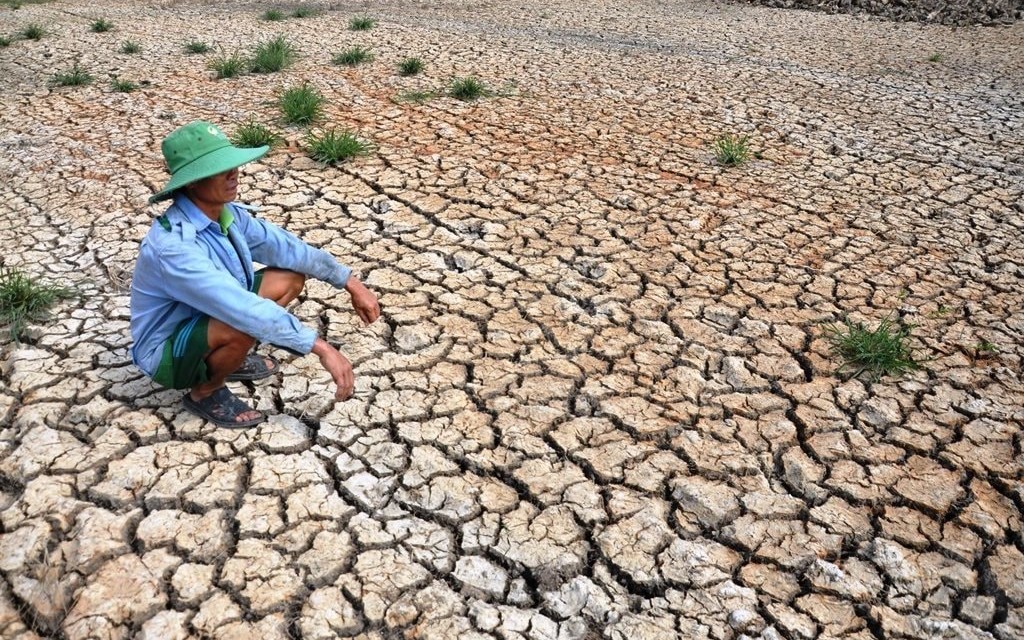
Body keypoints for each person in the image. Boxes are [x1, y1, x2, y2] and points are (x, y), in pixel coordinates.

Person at [130, 120, 380, 427]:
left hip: (206, 316)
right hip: (166, 351)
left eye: (232, 165)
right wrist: (321, 347)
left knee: (289, 277)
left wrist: (350, 282)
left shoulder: (227, 214)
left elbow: (287, 248)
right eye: (219, 169)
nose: (233, 173)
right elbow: (241, 309)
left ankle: (227, 358)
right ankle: (206, 392)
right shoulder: (174, 248)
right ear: (192, 182)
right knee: (243, 324)